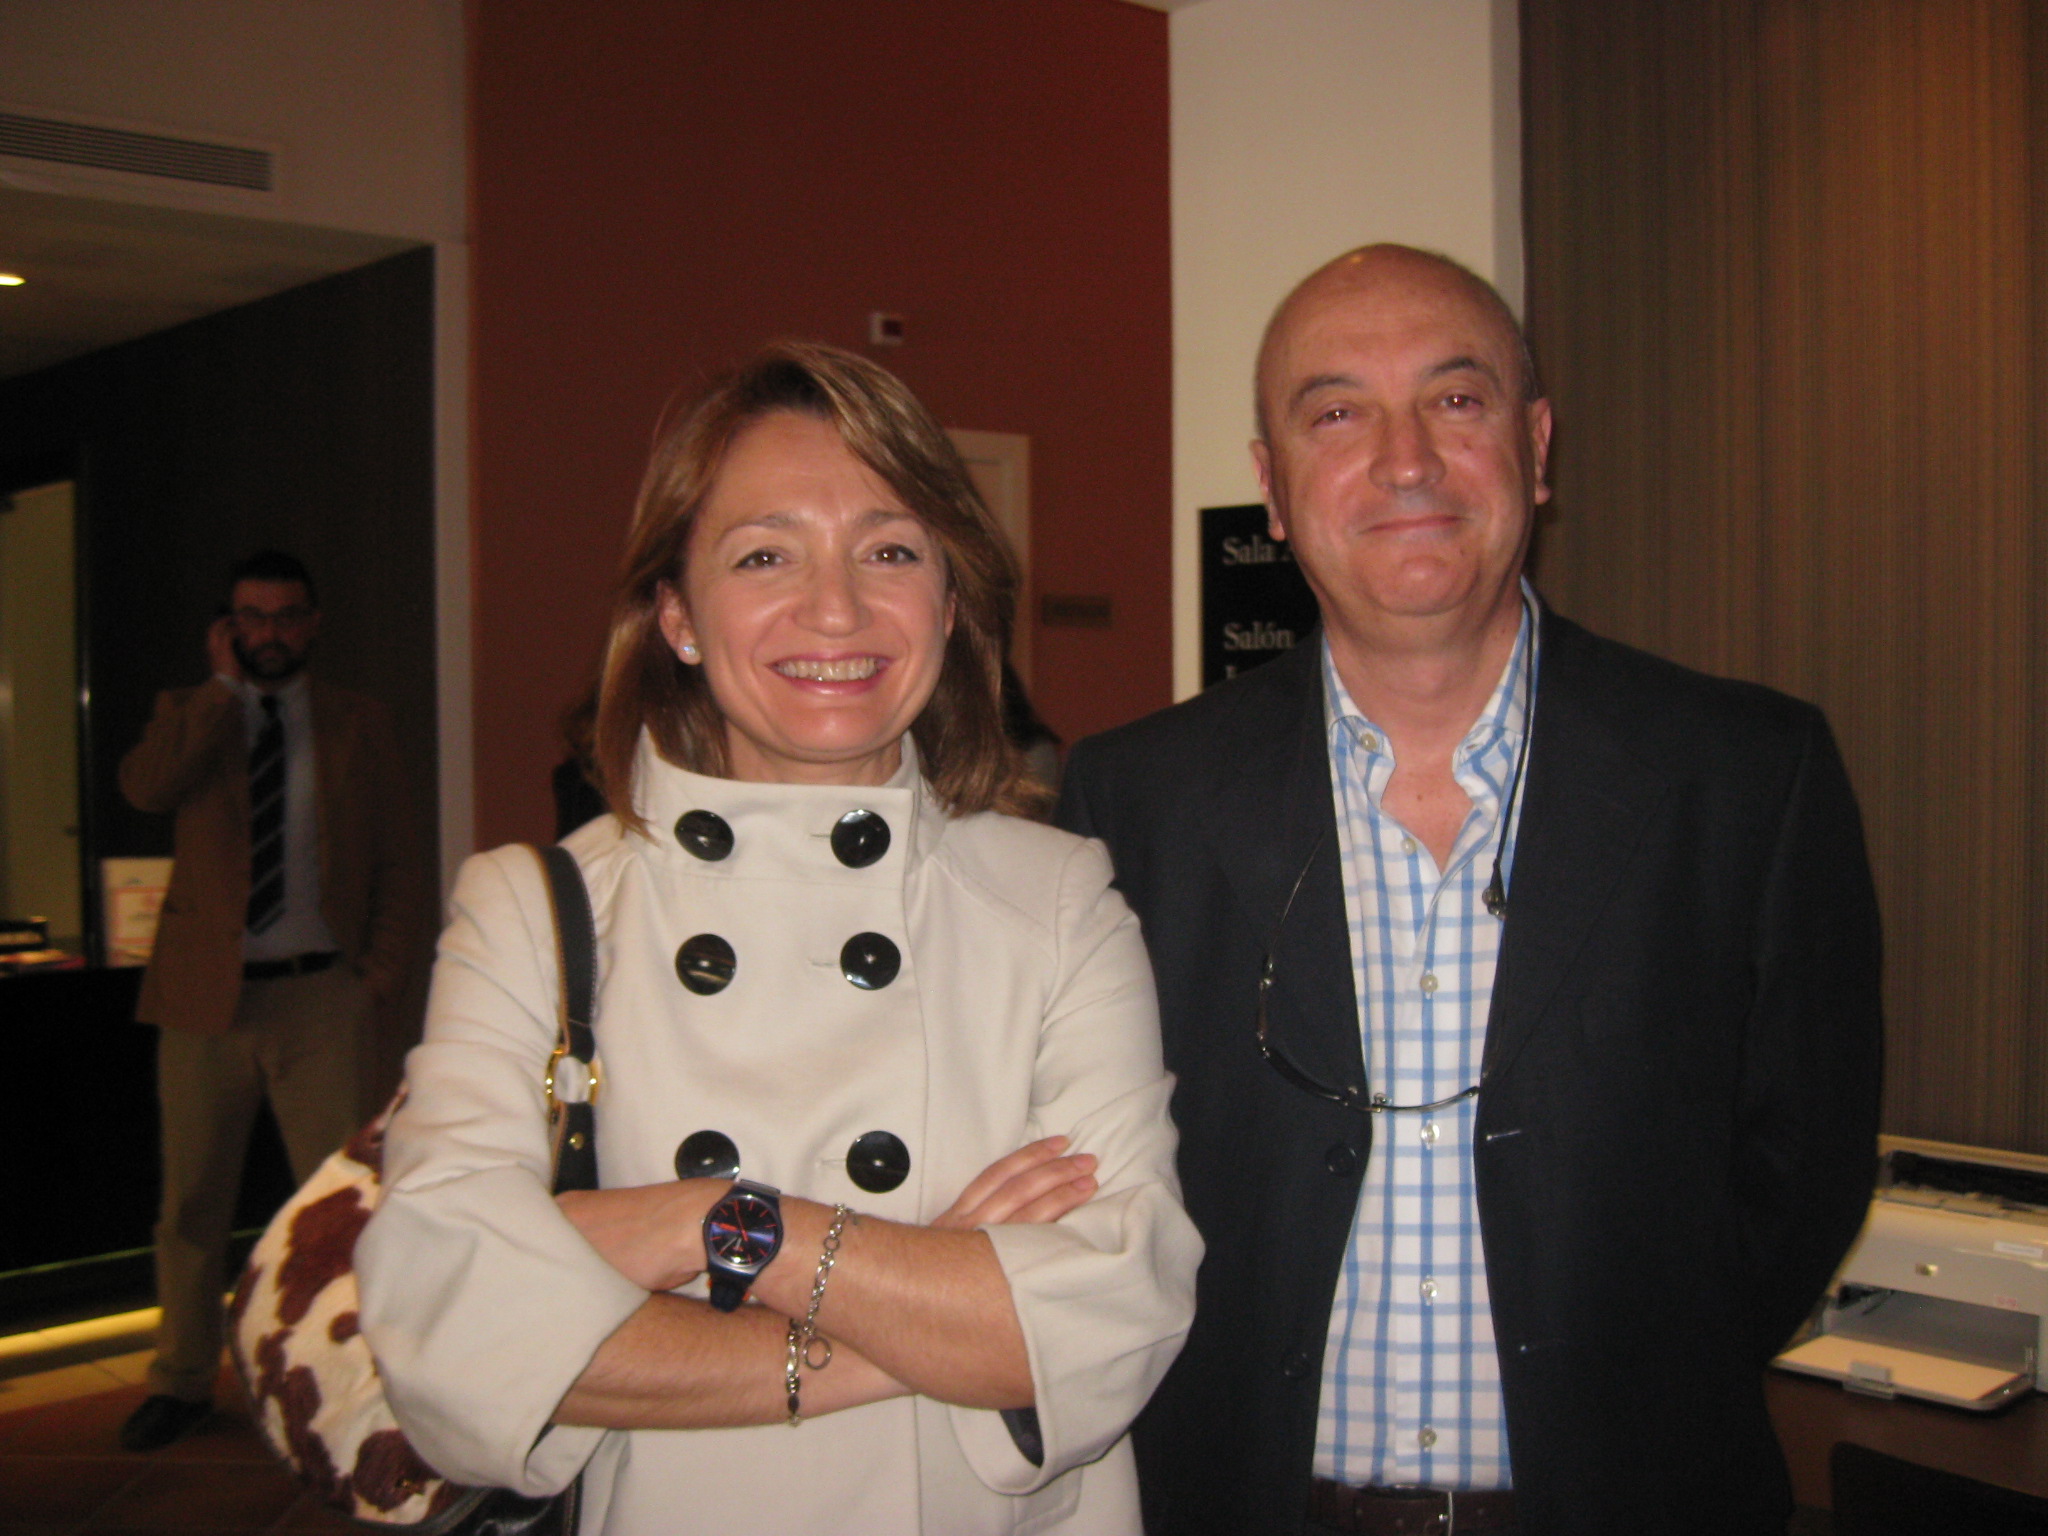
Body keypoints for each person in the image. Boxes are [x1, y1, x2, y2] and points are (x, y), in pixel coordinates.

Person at [1057, 245, 1882, 1535]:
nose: (1403, 462)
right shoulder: (1135, 800)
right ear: (1271, 488)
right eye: (1336, 414)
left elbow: (1801, 1172)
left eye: (1453, 400)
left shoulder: (1744, 776)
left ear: (1533, 448)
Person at [356, 342, 1201, 1534]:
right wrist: (923, 1305)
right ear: (676, 616)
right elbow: (449, 1338)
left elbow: (1110, 1326)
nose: (835, 609)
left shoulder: (1058, 899)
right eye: (764, 555)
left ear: (949, 604)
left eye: (889, 551)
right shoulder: (529, 911)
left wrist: (707, 1225)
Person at [117, 549, 425, 1452]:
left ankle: (349, 1382)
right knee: (190, 1207)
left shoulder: (357, 723)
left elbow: (399, 857)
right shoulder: (190, 713)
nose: (271, 633)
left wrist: (377, 975)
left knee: (342, 1209)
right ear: (229, 626)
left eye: (287, 616)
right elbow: (146, 787)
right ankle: (180, 1378)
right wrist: (221, 692)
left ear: (312, 624)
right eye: (253, 617)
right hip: (204, 1004)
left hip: (322, 999)